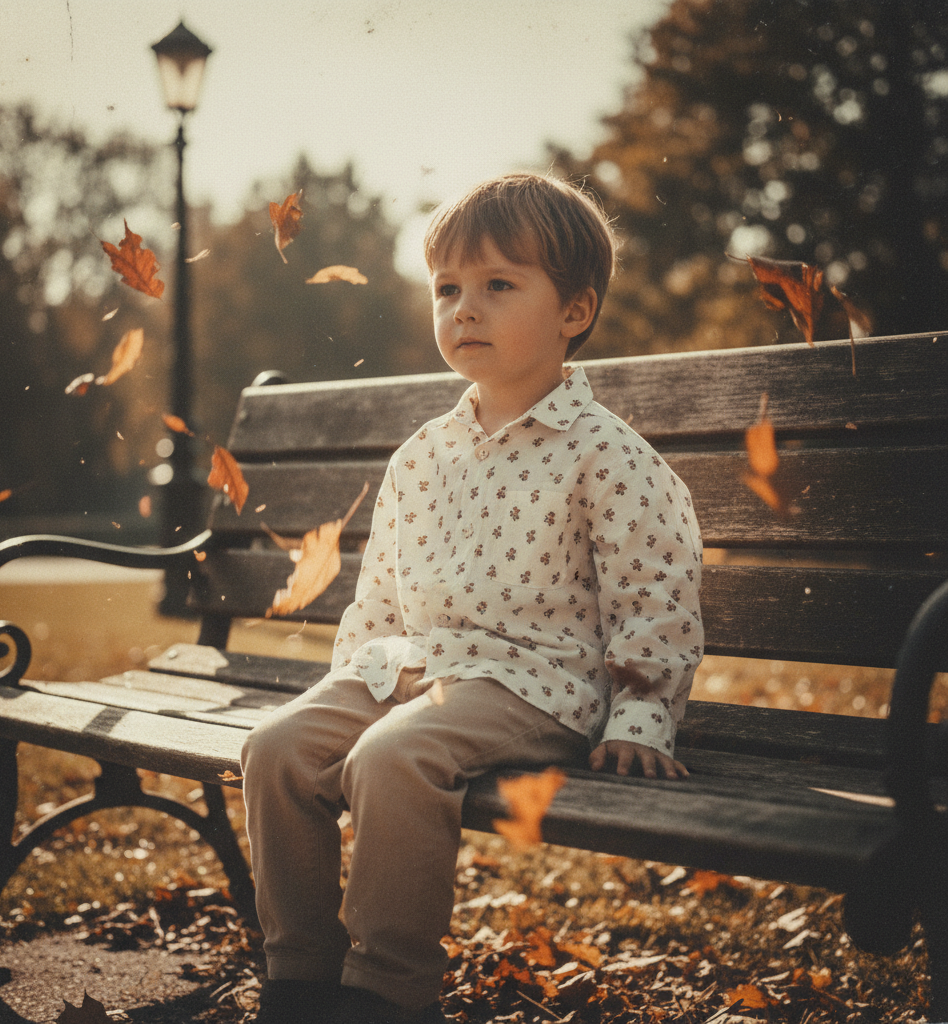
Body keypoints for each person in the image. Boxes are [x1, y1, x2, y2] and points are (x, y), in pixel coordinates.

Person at [242, 173, 704, 1024]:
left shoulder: (604, 453)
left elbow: (655, 593)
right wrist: (350, 684)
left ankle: (385, 994)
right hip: (416, 670)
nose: (465, 309)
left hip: (536, 684)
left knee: (393, 758)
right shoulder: (425, 452)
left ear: (574, 312)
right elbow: (382, 588)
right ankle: (299, 982)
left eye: (499, 285)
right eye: (448, 288)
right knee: (275, 748)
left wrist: (643, 713)